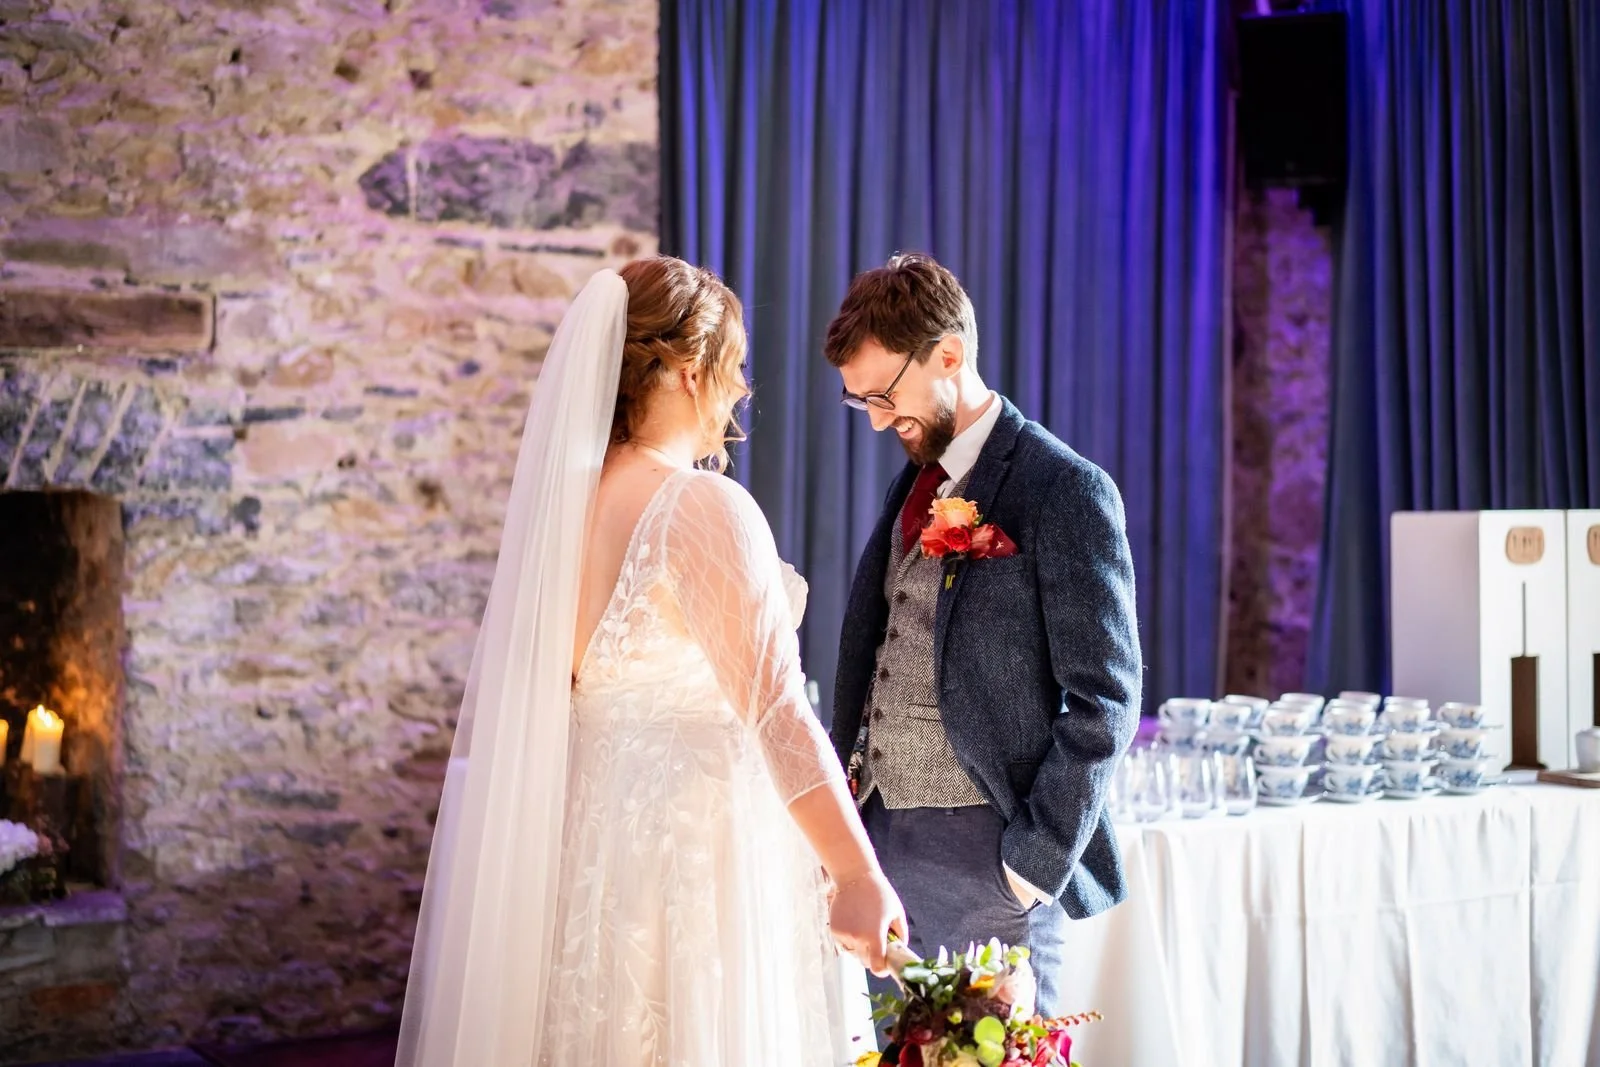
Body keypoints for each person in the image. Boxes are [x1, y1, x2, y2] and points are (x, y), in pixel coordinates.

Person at [397, 256, 903, 1066]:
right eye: (733, 369)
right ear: (687, 369)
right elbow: (776, 707)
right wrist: (854, 871)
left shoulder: (564, 511)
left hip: (593, 856)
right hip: (694, 866)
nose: (737, 394)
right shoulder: (699, 505)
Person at [826, 253, 1141, 1016]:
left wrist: (1027, 867)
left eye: (883, 394)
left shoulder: (1065, 489)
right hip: (882, 842)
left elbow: (1107, 698)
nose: (875, 420)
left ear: (949, 355)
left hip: (989, 860)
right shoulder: (915, 479)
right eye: (859, 400)